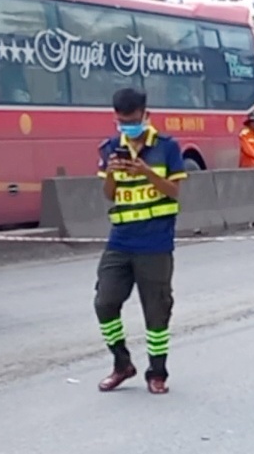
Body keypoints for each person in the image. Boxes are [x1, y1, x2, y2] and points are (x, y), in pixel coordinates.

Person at [94, 88, 188, 394]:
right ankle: (122, 364)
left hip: (155, 244)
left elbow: (174, 192)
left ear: (146, 116)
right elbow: (109, 194)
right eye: (122, 122)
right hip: (120, 241)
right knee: (105, 302)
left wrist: (146, 172)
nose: (127, 127)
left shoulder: (167, 148)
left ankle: (157, 372)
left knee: (156, 310)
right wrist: (111, 173)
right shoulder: (109, 147)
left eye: (132, 121)